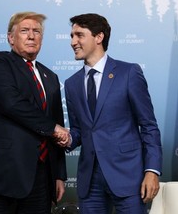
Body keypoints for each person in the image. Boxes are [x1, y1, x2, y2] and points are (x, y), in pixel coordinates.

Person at [0, 12, 69, 214]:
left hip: (40, 178)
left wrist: (58, 175)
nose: (31, 36)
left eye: (36, 31)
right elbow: (11, 102)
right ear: (11, 38)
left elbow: (56, 121)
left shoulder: (51, 76)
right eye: (24, 30)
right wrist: (53, 128)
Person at [59, 13, 162, 214]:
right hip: (90, 183)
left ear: (99, 37)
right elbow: (80, 130)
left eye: (79, 35)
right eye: (71, 36)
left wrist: (152, 170)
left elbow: (149, 125)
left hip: (128, 177)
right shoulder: (71, 84)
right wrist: (67, 138)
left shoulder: (129, 73)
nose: (73, 42)